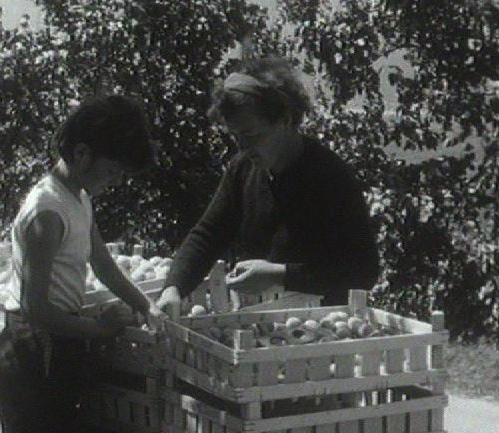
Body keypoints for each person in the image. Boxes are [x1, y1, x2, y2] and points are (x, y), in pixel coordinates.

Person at [0, 95, 165, 433]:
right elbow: (36, 310)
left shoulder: (78, 198)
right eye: (112, 171)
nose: (114, 181)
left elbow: (100, 263)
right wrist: (98, 329)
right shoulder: (47, 212)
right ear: (82, 153)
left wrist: (145, 304)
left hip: (51, 356)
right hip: (30, 357)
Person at [156, 56, 379, 314]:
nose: (243, 147)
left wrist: (280, 275)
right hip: (256, 324)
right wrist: (174, 288)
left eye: (251, 135)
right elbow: (208, 235)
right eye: (236, 136)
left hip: (320, 330)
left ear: (285, 120)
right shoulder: (243, 169)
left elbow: (363, 271)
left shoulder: (329, 177)